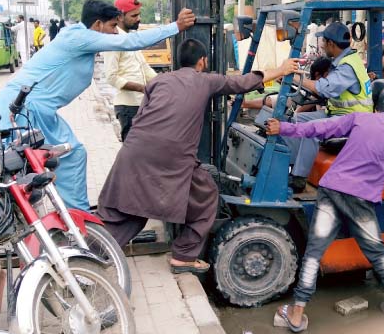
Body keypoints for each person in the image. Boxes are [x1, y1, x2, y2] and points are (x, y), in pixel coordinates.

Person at [97, 39, 299, 274]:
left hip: (134, 150)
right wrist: (283, 70)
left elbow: (143, 116)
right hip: (173, 157)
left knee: (130, 208)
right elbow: (244, 82)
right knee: (207, 195)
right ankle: (184, 255)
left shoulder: (158, 81)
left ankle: (94, 253)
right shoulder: (206, 81)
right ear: (202, 61)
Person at [0, 0, 196, 211]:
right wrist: (176, 27)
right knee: (31, 167)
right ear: (98, 24)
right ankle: (72, 217)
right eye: (112, 26)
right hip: (24, 106)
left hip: (33, 107)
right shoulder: (80, 37)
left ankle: (72, 214)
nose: (115, 32)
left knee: (68, 156)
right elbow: (130, 42)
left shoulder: (78, 37)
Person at [266, 104, 384, 333]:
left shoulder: (360, 117)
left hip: (333, 189)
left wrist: (284, 128)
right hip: (362, 199)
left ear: (375, 108)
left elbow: (321, 128)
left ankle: (297, 313)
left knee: (314, 252)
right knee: (378, 254)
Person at [284, 22, 373, 190]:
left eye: (323, 42)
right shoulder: (343, 61)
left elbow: (324, 88)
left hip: (353, 122)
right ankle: (292, 168)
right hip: (338, 115)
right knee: (295, 120)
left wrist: (295, 78)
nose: (322, 46)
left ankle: (299, 178)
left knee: (312, 128)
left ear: (331, 44)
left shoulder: (347, 66)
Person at [102, 0, 157, 142]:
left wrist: (164, 82)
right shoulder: (114, 40)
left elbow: (144, 68)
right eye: (134, 15)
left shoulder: (130, 38)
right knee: (134, 158)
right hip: (128, 108)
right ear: (120, 17)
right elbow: (111, 77)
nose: (138, 18)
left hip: (141, 105)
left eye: (138, 14)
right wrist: (141, 88)